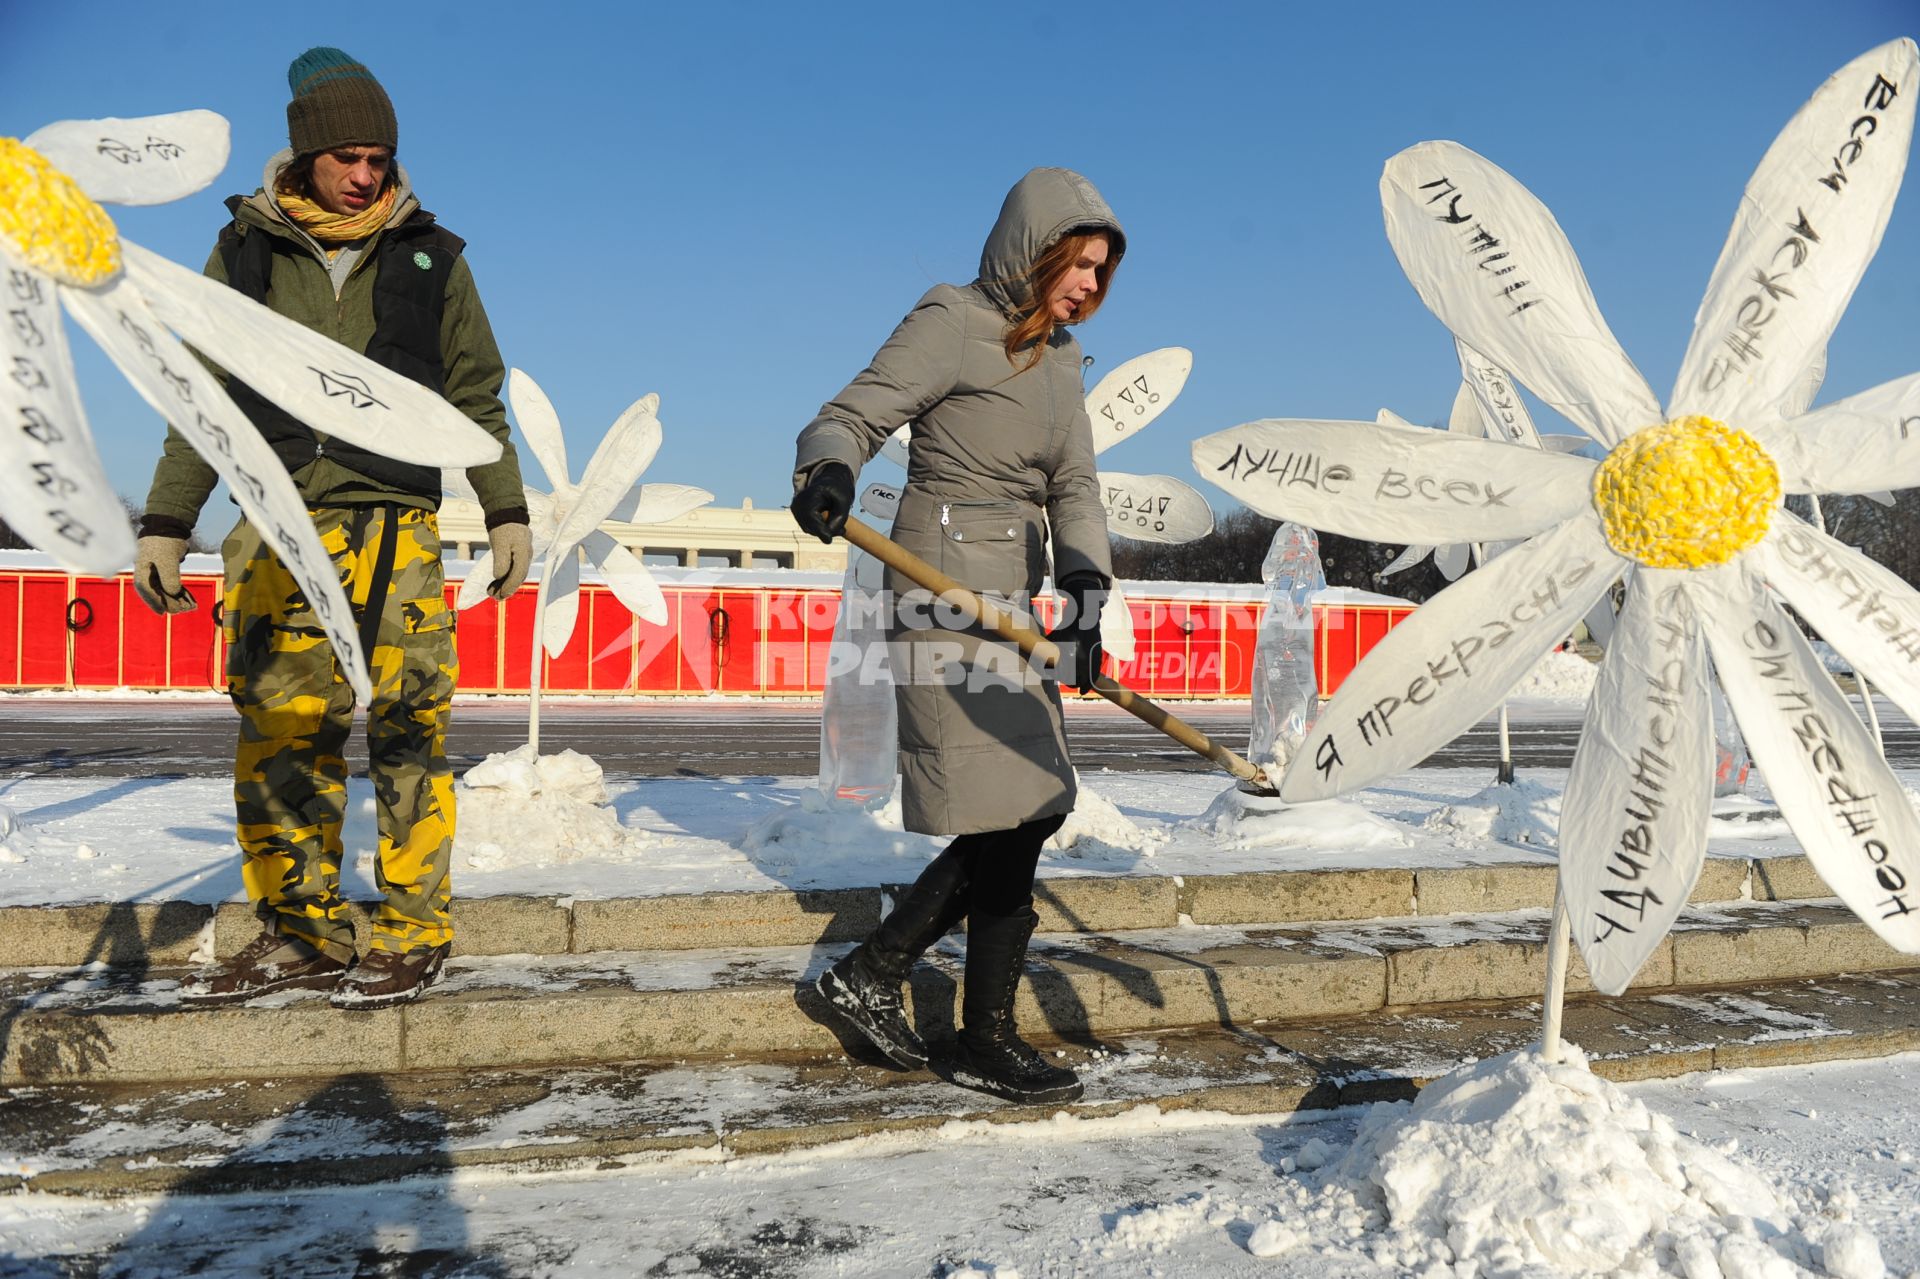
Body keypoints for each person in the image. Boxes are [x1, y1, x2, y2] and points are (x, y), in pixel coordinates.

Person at [134, 47, 530, 1010]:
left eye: (381, 160)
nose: (366, 176)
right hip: (276, 525)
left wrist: (506, 505)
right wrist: (166, 516)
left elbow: (476, 393)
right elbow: (203, 394)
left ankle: (412, 927)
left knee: (409, 731)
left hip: (397, 527)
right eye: (349, 156)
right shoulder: (244, 253)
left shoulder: (435, 257)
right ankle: (302, 932)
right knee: (281, 734)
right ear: (305, 154)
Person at [790, 167, 1121, 1103]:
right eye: (1079, 263)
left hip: (1010, 596)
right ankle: (971, 1029)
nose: (1090, 286)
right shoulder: (952, 319)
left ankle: (884, 973)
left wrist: (1088, 585)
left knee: (1038, 801)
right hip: (941, 586)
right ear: (1034, 248)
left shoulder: (1057, 358)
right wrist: (829, 470)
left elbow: (1076, 487)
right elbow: (849, 415)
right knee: (1009, 806)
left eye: (1102, 271)